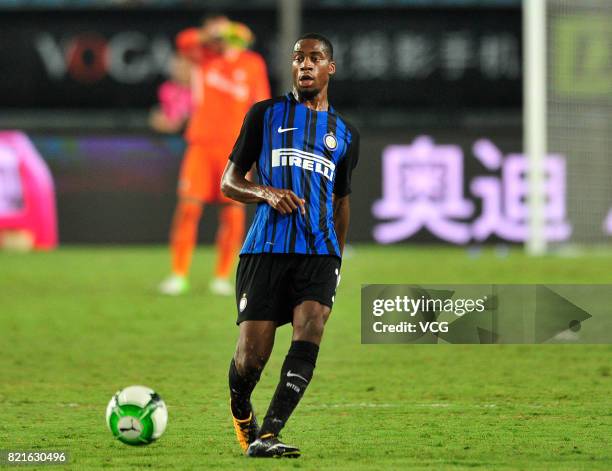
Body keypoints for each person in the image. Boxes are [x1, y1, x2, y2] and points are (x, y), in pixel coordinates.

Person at [220, 33, 359, 458]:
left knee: (312, 326)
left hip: (318, 253)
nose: (305, 65)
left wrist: (336, 255)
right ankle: (243, 411)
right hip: (265, 250)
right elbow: (229, 182)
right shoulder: (264, 115)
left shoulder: (345, 135)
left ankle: (269, 435)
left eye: (315, 58)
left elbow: (341, 203)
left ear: (329, 68)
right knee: (251, 358)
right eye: (298, 58)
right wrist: (265, 192)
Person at [158, 14, 270, 296]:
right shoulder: (202, 57)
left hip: (236, 149)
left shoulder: (251, 63)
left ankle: (222, 276)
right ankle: (178, 274)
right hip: (201, 144)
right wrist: (212, 36)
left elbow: (261, 105)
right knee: (188, 208)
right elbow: (184, 40)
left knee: (232, 214)